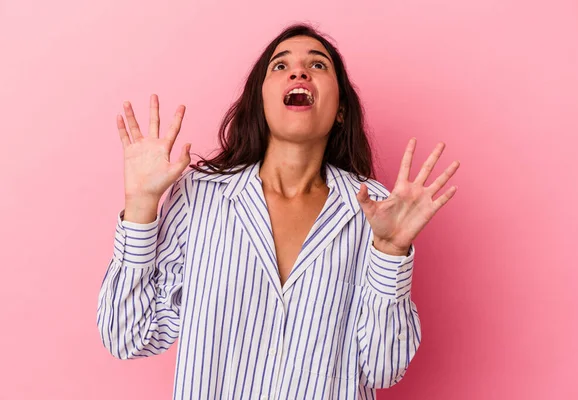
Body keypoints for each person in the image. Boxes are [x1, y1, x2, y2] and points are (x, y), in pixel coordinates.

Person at [97, 23, 459, 400]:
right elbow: (128, 337)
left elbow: (383, 369)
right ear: (261, 101)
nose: (299, 71)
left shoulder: (376, 211)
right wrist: (140, 207)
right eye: (280, 66)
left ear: (340, 110)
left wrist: (391, 251)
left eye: (318, 65)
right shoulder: (200, 196)